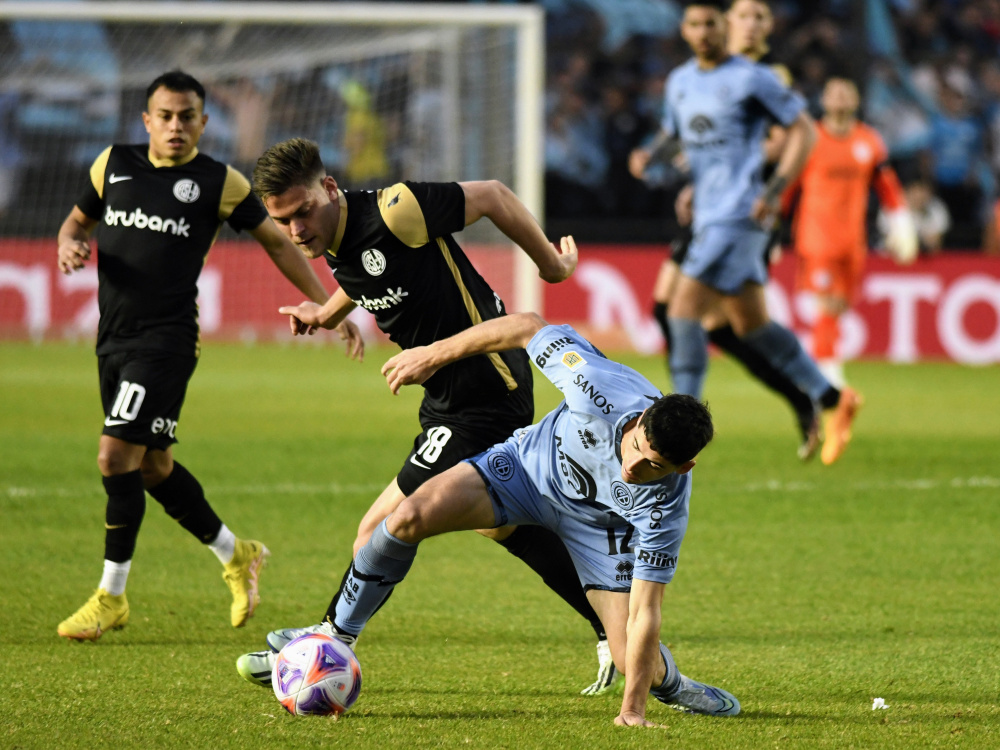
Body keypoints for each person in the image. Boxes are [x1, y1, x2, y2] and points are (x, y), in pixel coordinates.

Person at [235, 138, 622, 695]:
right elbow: (363, 272)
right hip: (449, 397)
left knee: (378, 530)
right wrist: (324, 313)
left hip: (487, 389)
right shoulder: (337, 236)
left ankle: (325, 644)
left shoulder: (398, 209)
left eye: (303, 213)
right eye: (283, 221)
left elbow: (491, 195)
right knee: (502, 522)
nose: (297, 230)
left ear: (329, 188)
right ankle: (612, 628)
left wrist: (552, 267)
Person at [239, 313, 741, 725]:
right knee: (407, 516)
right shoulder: (596, 386)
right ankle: (334, 640)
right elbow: (525, 327)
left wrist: (633, 709)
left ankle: (673, 684)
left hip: (598, 532)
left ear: (684, 466)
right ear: (637, 422)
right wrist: (432, 354)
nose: (634, 468)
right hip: (522, 471)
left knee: (640, 657)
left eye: (654, 467)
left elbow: (646, 609)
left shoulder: (668, 504)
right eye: (636, 449)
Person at [54, 71, 362, 641]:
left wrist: (330, 308)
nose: (176, 125)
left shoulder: (219, 181)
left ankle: (110, 596)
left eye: (187, 115)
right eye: (165, 115)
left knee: (112, 456)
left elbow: (277, 241)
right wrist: (69, 242)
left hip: (167, 341)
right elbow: (77, 221)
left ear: (204, 120)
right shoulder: (111, 164)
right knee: (153, 466)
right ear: (146, 120)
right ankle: (237, 553)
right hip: (112, 339)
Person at [629, 0, 861, 466]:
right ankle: (830, 397)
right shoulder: (680, 81)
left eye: (712, 23)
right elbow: (675, 134)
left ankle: (676, 429)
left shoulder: (757, 78)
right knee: (750, 325)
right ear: (686, 29)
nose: (704, 32)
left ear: (724, 27)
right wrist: (649, 155)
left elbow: (802, 132)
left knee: (681, 310)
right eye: (695, 24)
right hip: (709, 213)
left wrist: (775, 189)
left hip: (740, 215)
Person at [783, 77, 916, 393]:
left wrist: (901, 221)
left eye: (847, 92)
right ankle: (827, 374)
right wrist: (773, 228)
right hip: (816, 236)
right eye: (834, 93)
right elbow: (788, 186)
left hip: (852, 238)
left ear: (856, 100)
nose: (840, 98)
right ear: (825, 100)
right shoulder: (811, 138)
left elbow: (886, 185)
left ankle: (825, 366)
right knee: (826, 304)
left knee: (840, 305)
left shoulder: (868, 141)